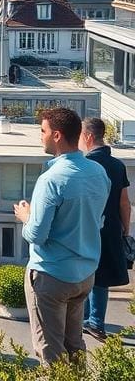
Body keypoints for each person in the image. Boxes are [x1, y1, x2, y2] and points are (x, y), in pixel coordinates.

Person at [13, 107, 110, 364]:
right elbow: (95, 219)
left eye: (42, 131)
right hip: (84, 273)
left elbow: (37, 234)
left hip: (52, 274)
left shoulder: (52, 179)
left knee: (50, 350)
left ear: (56, 135)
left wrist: (25, 217)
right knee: (74, 342)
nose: (40, 137)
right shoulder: (99, 173)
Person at [81, 116, 131, 342]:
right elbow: (124, 202)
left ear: (89, 137)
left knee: (88, 273)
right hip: (111, 225)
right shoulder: (117, 165)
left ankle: (93, 322)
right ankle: (91, 319)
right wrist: (124, 229)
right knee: (101, 275)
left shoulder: (86, 165)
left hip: (88, 224)